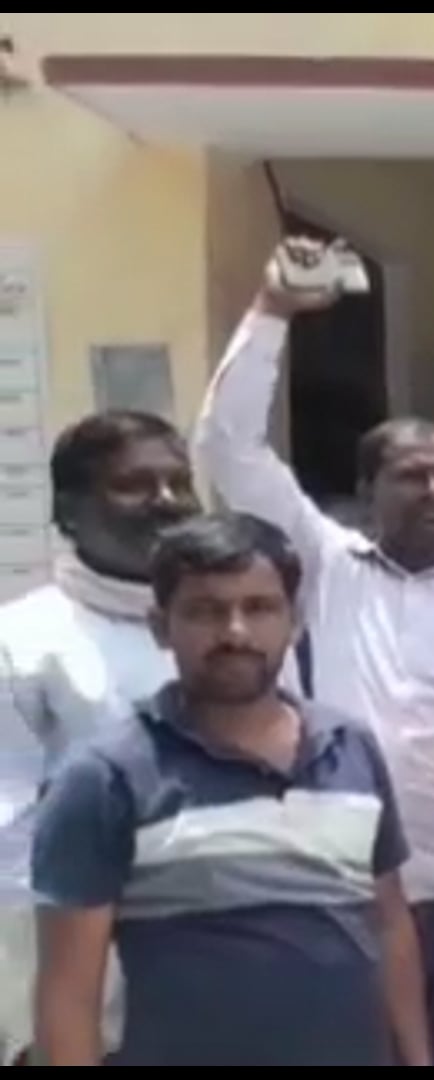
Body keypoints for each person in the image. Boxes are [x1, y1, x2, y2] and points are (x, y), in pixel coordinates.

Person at [195, 238, 434, 1065]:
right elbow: (230, 449)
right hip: (357, 902)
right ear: (366, 489)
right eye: (411, 475)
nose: (433, 490)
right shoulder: (327, 568)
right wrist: (272, 311)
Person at [30, 513, 430, 1065]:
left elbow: (389, 924)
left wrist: (418, 1058)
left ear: (294, 622)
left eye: (259, 608)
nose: (235, 632)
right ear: (160, 627)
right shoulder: (105, 777)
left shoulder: (350, 748)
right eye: (205, 611)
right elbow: (68, 996)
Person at [0, 410, 205, 1065]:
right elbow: (10, 844)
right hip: (88, 1002)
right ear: (68, 510)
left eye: (179, 481)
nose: (167, 501)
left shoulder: (233, 630)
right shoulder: (24, 642)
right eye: (135, 484)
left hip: (225, 984)